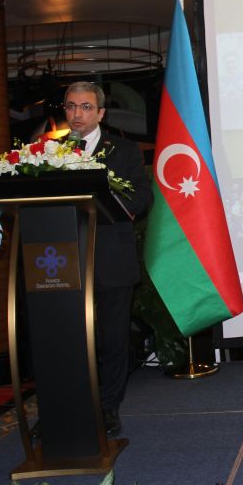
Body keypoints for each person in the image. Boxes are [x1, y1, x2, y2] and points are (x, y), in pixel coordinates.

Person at [64, 81, 153, 436]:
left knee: (112, 339)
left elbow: (142, 198)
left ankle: (108, 408)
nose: (77, 114)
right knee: (68, 339)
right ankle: (64, 408)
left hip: (111, 256)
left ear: (100, 113)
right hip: (62, 260)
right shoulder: (48, 153)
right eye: (71, 106)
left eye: (85, 107)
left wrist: (112, 203)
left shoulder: (124, 150)